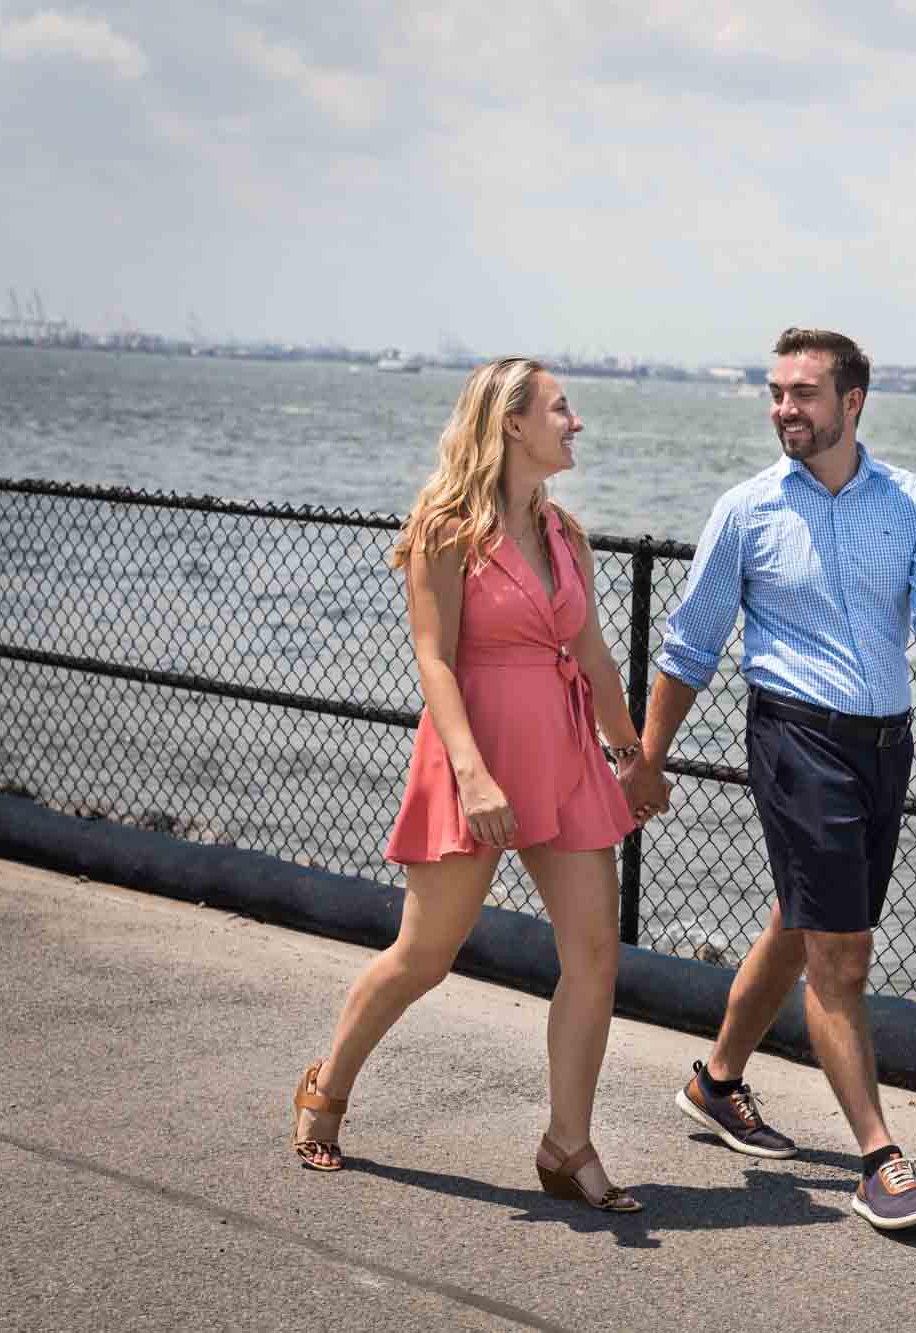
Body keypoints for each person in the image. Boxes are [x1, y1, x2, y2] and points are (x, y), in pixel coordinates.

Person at [622, 327, 916, 1231]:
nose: (785, 407)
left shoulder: (911, 501)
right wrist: (648, 757)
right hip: (794, 738)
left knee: (802, 919)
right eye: (776, 391)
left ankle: (716, 1082)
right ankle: (879, 1157)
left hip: (884, 745)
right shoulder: (747, 510)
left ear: (851, 402)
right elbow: (691, 643)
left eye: (803, 393)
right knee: (841, 952)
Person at [290, 357, 648, 1213]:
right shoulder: (445, 526)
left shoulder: (566, 532)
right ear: (513, 424)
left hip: (563, 755)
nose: (577, 422)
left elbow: (592, 652)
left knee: (596, 953)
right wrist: (473, 773)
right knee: (426, 955)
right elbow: (435, 661)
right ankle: (328, 1084)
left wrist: (631, 754)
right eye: (563, 408)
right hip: (475, 757)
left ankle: (568, 1144)